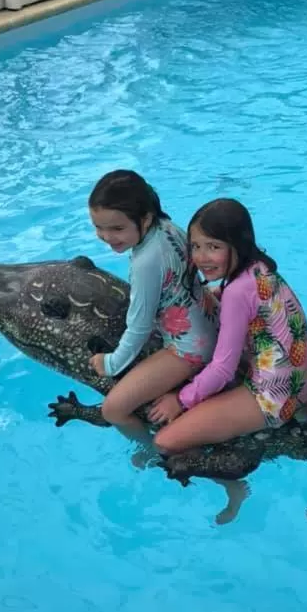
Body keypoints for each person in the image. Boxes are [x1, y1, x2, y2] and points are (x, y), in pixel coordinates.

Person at [149, 199, 307, 520]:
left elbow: (222, 370)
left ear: (237, 245)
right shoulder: (260, 268)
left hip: (274, 398)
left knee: (166, 441)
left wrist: (180, 400)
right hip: (303, 381)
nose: (201, 257)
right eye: (195, 246)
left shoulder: (238, 291)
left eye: (213, 246)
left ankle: (232, 483)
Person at [88, 170, 217, 441]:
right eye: (99, 227)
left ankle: (148, 452)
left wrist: (111, 364)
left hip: (190, 348)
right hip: (211, 317)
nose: (107, 236)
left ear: (144, 219)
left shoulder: (145, 262)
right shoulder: (167, 226)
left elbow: (139, 327)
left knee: (113, 410)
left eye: (117, 228)